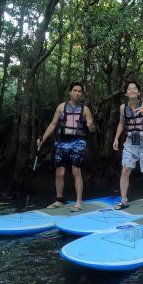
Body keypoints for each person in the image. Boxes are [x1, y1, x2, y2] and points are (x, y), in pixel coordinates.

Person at [38, 81, 96, 211]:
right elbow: (53, 124)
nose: (77, 93)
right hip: (62, 141)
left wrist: (91, 127)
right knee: (60, 172)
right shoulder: (61, 107)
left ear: (82, 94)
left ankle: (79, 202)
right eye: (75, 90)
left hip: (78, 141)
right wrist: (43, 138)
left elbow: (91, 128)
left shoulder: (85, 109)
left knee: (76, 170)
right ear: (70, 92)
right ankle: (59, 200)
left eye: (80, 91)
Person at [112, 82, 143, 210]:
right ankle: (123, 200)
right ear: (126, 93)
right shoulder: (123, 107)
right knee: (125, 170)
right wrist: (116, 138)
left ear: (138, 92)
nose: (132, 90)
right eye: (129, 89)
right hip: (130, 141)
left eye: (135, 89)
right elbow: (121, 123)